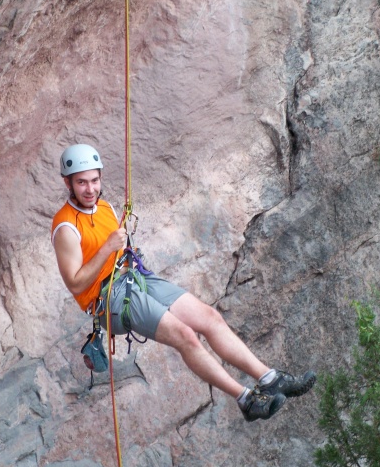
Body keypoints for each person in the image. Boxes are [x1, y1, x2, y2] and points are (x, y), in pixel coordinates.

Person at [51, 144, 316, 421]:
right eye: (81, 182)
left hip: (133, 277)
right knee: (186, 336)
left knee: (209, 317)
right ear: (67, 182)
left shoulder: (104, 207)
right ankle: (247, 400)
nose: (90, 189)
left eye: (94, 180)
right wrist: (107, 248)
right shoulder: (66, 227)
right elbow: (76, 284)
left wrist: (115, 249)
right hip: (109, 301)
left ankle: (271, 379)